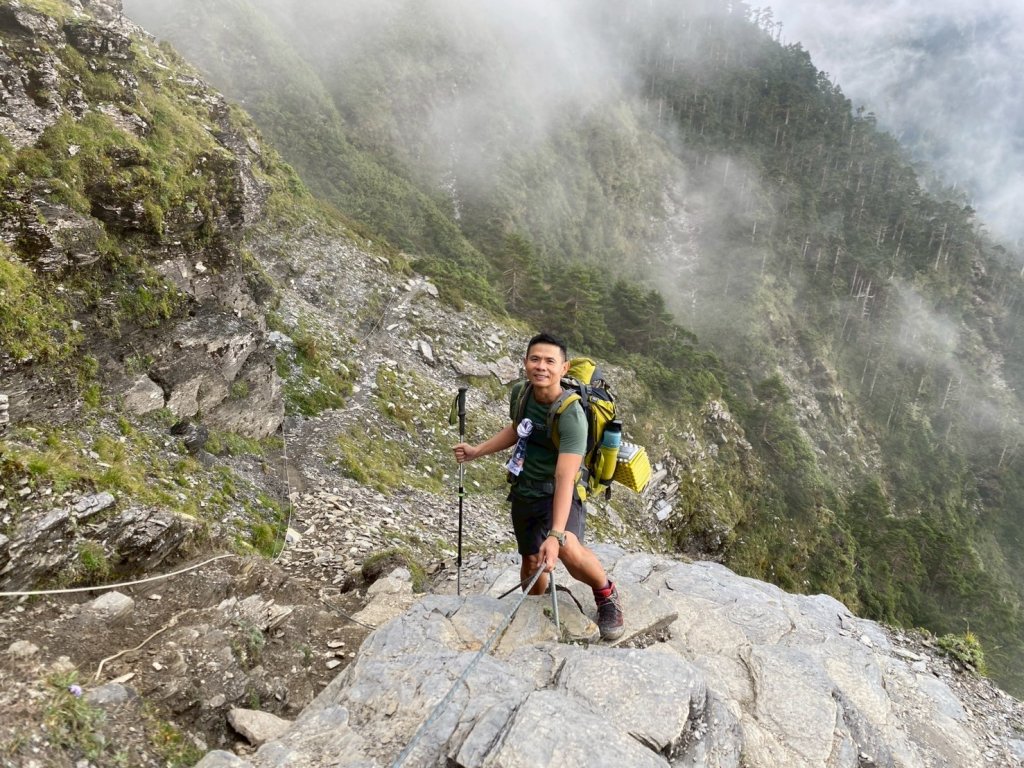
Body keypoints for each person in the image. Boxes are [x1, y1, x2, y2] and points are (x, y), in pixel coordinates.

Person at [453, 332, 625, 641]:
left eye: (549, 361)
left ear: (564, 368)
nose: (541, 367)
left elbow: (565, 476)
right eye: (535, 359)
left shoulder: (572, 415)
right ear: (525, 363)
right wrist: (478, 450)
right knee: (531, 558)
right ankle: (535, 611)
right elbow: (518, 429)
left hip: (559, 491)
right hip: (525, 488)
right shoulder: (522, 394)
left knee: (568, 549)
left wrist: (556, 534)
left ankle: (606, 594)